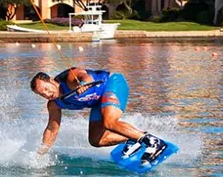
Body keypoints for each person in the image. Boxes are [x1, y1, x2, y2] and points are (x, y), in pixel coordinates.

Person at [30, 67, 171, 163]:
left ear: (51, 80)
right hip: (98, 102)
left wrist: (83, 84)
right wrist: (41, 152)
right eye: (42, 94)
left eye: (47, 89)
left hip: (111, 83)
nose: (47, 94)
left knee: (109, 122)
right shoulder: (54, 104)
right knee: (96, 140)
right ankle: (134, 139)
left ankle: (153, 142)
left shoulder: (69, 79)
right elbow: (52, 129)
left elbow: (85, 76)